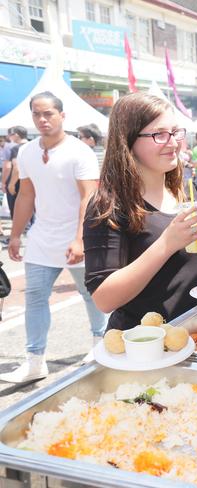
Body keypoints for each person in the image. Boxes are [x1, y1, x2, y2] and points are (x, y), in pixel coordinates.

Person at [83, 93, 197, 332]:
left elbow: (193, 262)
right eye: (159, 134)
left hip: (192, 330)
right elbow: (104, 298)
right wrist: (167, 243)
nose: (173, 142)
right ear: (128, 140)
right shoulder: (109, 204)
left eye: (175, 132)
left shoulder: (184, 191)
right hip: (142, 344)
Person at [0, 91, 108, 383]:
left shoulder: (79, 151)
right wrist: (15, 235)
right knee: (35, 297)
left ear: (62, 115)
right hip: (41, 237)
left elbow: (90, 196)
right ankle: (35, 361)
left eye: (48, 113)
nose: (42, 119)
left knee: (92, 295)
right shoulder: (27, 151)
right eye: (37, 114)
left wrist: (80, 239)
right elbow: (26, 195)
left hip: (79, 235)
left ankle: (101, 344)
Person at [5, 126, 29, 220]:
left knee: (15, 206)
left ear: (16, 135)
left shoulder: (16, 148)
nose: (9, 137)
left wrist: (11, 184)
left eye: (10, 135)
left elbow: (16, 168)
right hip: (31, 180)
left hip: (18, 181)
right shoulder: (33, 146)